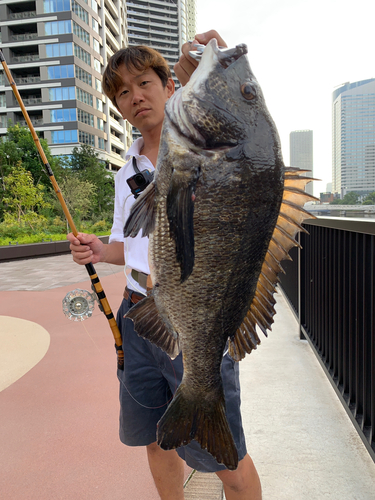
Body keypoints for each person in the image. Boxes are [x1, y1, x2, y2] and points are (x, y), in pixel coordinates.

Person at [67, 31, 262, 500]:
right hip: (139, 315)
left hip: (199, 314)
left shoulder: (205, 149)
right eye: (122, 92)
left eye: (144, 83)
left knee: (226, 458)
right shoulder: (125, 173)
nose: (135, 97)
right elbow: (124, 245)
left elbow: (238, 130)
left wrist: (196, 63)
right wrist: (98, 250)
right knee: (157, 439)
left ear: (170, 86)